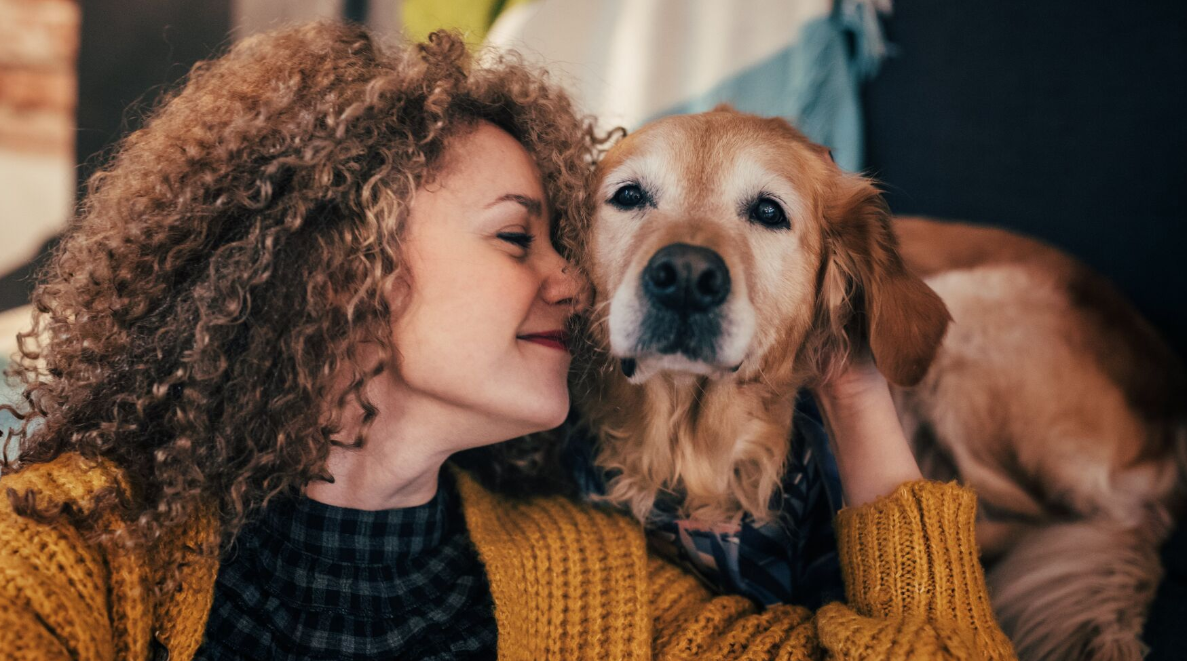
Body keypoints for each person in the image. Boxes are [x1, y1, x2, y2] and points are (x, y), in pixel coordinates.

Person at [0, 22, 1016, 661]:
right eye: (515, 237)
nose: (577, 280)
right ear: (339, 273)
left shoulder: (600, 587)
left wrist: (851, 377)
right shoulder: (78, 548)